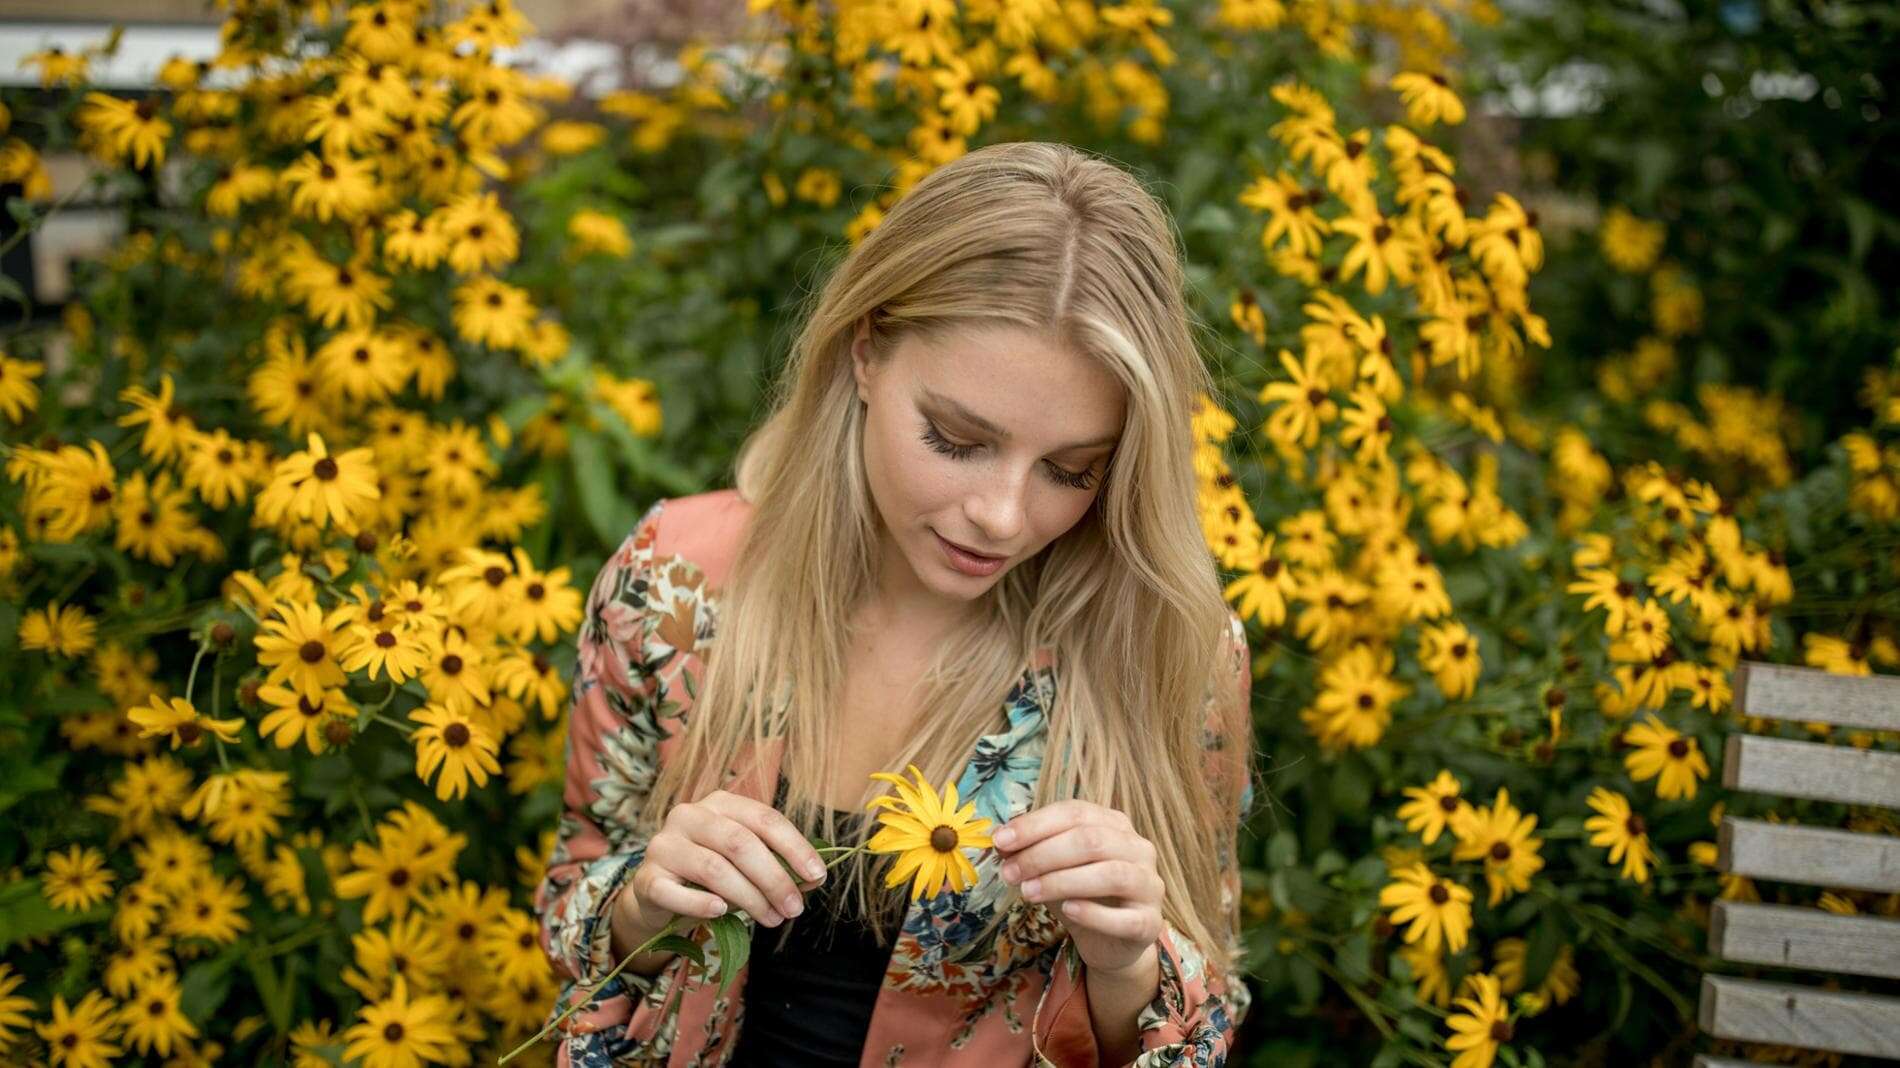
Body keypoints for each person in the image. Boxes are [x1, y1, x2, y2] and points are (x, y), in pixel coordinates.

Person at [533, 140, 1259, 1067]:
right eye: (956, 440)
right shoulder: (676, 584)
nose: (1000, 517)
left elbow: (1204, 1022)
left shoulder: (1168, 651)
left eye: (1073, 470)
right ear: (866, 351)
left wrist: (1126, 965)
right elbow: (571, 917)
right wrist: (645, 899)